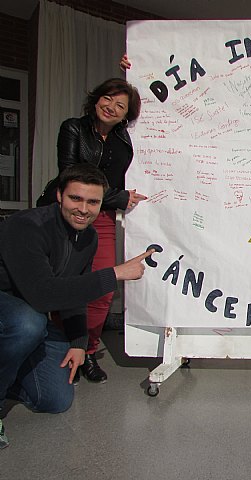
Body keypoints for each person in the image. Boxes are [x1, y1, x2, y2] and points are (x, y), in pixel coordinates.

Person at [0, 163, 153, 449]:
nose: (83, 209)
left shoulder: (88, 237)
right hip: (14, 309)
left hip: (29, 312)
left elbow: (72, 290)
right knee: (28, 323)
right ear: (59, 195)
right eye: (75, 198)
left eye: (93, 202)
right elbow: (43, 296)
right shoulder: (27, 226)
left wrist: (78, 342)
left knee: (55, 400)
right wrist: (115, 274)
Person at [55, 77, 148, 383]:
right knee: (65, 284)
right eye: (107, 98)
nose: (111, 107)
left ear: (126, 115)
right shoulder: (73, 128)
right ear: (96, 99)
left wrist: (141, 65)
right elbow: (69, 177)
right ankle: (61, 348)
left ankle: (88, 350)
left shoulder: (125, 138)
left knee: (103, 288)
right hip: (68, 216)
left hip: (103, 219)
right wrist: (118, 198)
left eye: (120, 105)